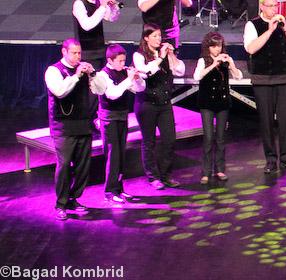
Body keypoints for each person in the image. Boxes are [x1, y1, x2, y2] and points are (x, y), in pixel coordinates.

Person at [44, 39, 103, 221]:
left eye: (79, 53)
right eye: (74, 53)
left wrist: (93, 74)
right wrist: (77, 75)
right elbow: (60, 91)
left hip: (83, 124)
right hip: (63, 127)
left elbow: (101, 90)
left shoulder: (84, 71)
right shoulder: (53, 70)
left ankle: (73, 198)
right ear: (64, 52)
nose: (78, 57)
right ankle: (60, 204)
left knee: (83, 166)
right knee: (64, 166)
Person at [244, 0, 286, 173]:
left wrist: (285, 29)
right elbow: (251, 48)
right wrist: (269, 30)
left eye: (275, 6)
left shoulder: (285, 21)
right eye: (269, 6)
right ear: (262, 7)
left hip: (283, 78)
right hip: (262, 79)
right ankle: (270, 159)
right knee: (267, 121)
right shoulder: (252, 24)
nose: (273, 9)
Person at [133, 23, 185, 189]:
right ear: (146, 37)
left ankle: (166, 174)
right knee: (149, 142)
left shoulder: (165, 54)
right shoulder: (139, 55)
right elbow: (146, 73)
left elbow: (180, 71)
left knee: (169, 139)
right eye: (154, 36)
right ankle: (153, 176)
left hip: (164, 103)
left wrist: (171, 56)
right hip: (147, 103)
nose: (158, 39)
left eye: (160, 36)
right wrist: (160, 58)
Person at [94, 44, 145, 205]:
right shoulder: (103, 74)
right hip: (109, 119)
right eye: (120, 61)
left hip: (122, 117)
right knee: (112, 155)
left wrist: (136, 79)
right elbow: (112, 94)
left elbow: (139, 89)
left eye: (124, 60)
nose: (123, 64)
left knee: (121, 154)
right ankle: (110, 191)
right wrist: (128, 79)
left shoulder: (124, 72)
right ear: (110, 60)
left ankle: (119, 189)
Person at [193, 31, 242, 184]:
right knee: (208, 138)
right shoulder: (203, 60)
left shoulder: (227, 60)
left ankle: (220, 169)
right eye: (213, 46)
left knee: (220, 139)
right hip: (207, 103)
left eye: (219, 46)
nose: (216, 50)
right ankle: (206, 172)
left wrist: (231, 65)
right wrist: (214, 64)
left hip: (222, 103)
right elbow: (197, 77)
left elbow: (238, 76)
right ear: (208, 47)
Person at [72, 0, 121, 70]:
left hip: (100, 51)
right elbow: (87, 25)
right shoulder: (79, 4)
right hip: (86, 54)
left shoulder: (98, 1)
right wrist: (102, 7)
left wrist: (114, 7)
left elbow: (111, 18)